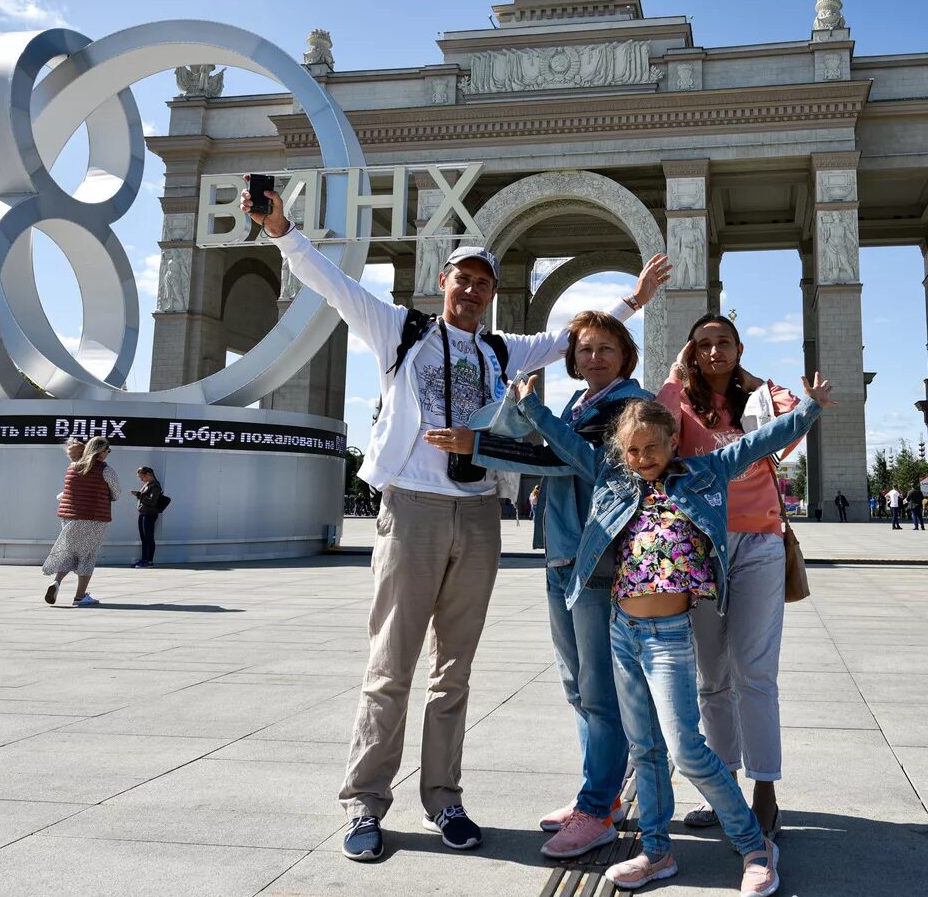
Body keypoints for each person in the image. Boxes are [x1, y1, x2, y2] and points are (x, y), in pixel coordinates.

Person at [243, 183, 669, 863]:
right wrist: (282, 231)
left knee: (455, 672)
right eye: (462, 280)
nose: (471, 291)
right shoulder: (401, 330)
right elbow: (334, 285)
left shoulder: (502, 351)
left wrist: (634, 301)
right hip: (412, 506)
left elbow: (577, 338)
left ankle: (444, 798)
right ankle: (365, 801)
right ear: (444, 283)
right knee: (391, 666)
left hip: (478, 515)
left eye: (482, 284)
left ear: (492, 294)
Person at [513, 371, 833, 894]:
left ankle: (756, 847)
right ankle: (657, 853)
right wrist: (532, 406)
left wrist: (809, 410)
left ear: (672, 441)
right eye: (632, 450)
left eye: (652, 447)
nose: (642, 457)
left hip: (668, 637)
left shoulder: (702, 473)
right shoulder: (615, 478)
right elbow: (569, 444)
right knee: (645, 750)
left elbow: (758, 442)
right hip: (623, 631)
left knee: (685, 747)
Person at [455, 311, 651, 860]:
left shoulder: (629, 407)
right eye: (584, 349)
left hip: (597, 559)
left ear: (624, 356)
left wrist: (537, 411)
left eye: (605, 349)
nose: (593, 358)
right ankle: (601, 796)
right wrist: (474, 445)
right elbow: (547, 459)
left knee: (599, 690)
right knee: (575, 687)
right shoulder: (580, 405)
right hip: (561, 553)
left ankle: (596, 809)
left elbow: (593, 466)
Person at [657, 314, 804, 841]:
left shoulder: (760, 402)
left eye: (724, 343)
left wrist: (756, 384)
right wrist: (676, 376)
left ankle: (766, 791)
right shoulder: (685, 405)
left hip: (760, 543)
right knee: (710, 679)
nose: (714, 351)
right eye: (703, 345)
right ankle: (726, 790)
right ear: (692, 354)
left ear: (740, 349)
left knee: (755, 673)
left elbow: (796, 422)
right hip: (699, 546)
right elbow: (653, 429)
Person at [41, 436, 118, 607]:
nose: (108, 454)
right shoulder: (105, 470)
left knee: (70, 552)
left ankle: (57, 582)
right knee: (87, 556)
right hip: (94, 517)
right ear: (102, 451)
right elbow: (117, 494)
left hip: (68, 516)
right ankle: (80, 596)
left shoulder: (72, 467)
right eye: (108, 450)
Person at [129, 467, 164, 567]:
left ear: (148, 474)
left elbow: (152, 501)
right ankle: (144, 559)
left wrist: (139, 495)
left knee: (148, 537)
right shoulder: (147, 484)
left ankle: (149, 561)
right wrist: (139, 494)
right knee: (144, 538)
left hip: (149, 514)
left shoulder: (155, 486)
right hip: (143, 514)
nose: (141, 480)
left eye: (142, 477)